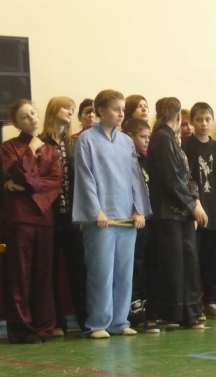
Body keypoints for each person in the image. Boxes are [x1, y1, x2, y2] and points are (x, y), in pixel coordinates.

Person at [73, 89, 151, 339]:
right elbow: (85, 177)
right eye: (116, 109)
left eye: (122, 109)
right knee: (101, 273)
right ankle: (98, 323)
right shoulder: (86, 140)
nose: (120, 114)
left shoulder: (127, 141)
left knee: (124, 273)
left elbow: (135, 178)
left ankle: (120, 321)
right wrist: (95, 210)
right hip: (102, 220)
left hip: (127, 218)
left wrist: (139, 209)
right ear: (101, 110)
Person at [0, 99, 62, 343]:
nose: (32, 118)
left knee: (43, 275)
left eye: (33, 113)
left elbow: (53, 183)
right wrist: (31, 149)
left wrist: (25, 186)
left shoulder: (51, 151)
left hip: (43, 218)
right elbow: (21, 175)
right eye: (24, 116)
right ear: (16, 124)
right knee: (20, 274)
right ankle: (22, 329)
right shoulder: (8, 148)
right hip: (18, 219)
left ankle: (44, 326)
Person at [144, 97, 208, 331]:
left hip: (179, 212)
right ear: (179, 117)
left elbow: (187, 176)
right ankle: (172, 312)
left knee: (187, 264)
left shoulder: (172, 139)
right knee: (172, 265)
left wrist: (196, 201)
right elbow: (171, 179)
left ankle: (188, 312)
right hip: (167, 213)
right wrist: (192, 205)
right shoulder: (162, 138)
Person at [41, 96, 88, 334]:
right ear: (53, 111)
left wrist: (81, 214)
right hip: (48, 216)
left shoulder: (73, 143)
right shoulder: (40, 142)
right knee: (48, 272)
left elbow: (81, 180)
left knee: (78, 270)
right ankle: (56, 321)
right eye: (65, 108)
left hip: (72, 215)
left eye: (72, 109)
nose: (70, 112)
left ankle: (85, 320)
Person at [182, 102, 216, 319]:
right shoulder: (186, 146)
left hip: (213, 211)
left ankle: (212, 300)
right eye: (199, 120)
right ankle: (194, 301)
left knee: (210, 259)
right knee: (193, 259)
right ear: (192, 122)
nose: (203, 124)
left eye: (207, 119)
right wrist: (192, 206)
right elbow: (185, 179)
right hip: (193, 213)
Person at [123, 118, 152, 325]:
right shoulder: (124, 161)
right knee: (133, 263)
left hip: (147, 220)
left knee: (144, 262)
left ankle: (143, 300)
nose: (147, 141)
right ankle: (132, 302)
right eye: (142, 137)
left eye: (148, 137)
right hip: (130, 220)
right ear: (129, 137)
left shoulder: (146, 161)